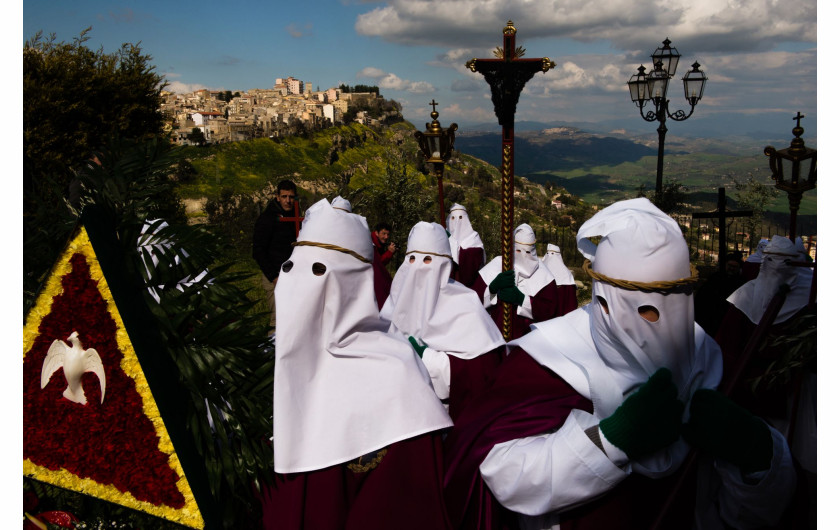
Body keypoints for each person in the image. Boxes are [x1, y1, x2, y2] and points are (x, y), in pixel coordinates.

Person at [443, 198, 795, 530]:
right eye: (636, 308)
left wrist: (757, 453)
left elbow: (748, 511)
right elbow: (504, 476)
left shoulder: (706, 358)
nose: (645, 329)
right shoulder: (550, 359)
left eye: (661, 309)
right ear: (604, 300)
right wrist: (611, 441)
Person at [259, 199, 454, 529]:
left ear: (352, 285)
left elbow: (404, 505)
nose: (298, 283)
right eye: (291, 267)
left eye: (319, 270)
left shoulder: (396, 378)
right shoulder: (264, 361)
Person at [381, 221, 506, 421]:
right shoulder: (394, 301)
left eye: (428, 260)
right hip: (401, 409)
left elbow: (483, 371)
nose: (418, 267)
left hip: (444, 416)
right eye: (412, 259)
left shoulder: (466, 304)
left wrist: (429, 360)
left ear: (445, 265)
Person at [471, 224, 558, 340]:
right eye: (517, 250)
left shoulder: (544, 276)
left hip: (526, 341)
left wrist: (522, 299)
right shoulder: (497, 265)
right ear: (511, 248)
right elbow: (472, 300)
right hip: (492, 336)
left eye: (528, 252)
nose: (523, 256)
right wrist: (491, 289)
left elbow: (549, 312)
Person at [252, 180, 298, 331]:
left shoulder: (296, 217)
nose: (288, 200)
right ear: (277, 197)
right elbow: (258, 250)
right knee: (278, 321)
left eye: (291, 197)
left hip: (294, 275)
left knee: (295, 319)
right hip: (275, 276)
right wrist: (273, 276)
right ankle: (272, 353)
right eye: (284, 196)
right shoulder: (267, 219)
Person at [693, 251, 746, 337]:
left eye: (734, 267)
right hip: (708, 319)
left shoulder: (741, 283)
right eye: (730, 266)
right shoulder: (715, 278)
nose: (731, 269)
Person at [447, 203, 486, 288]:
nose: (457, 222)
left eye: (460, 218)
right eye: (453, 218)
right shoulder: (444, 236)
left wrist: (452, 243)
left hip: (468, 287)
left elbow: (471, 264)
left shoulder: (473, 238)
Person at [540, 243, 578, 318]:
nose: (550, 256)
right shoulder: (567, 275)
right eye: (548, 254)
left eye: (552, 254)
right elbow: (572, 303)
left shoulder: (541, 271)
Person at [371, 221, 397, 309]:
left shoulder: (377, 244)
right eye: (383, 233)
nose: (386, 237)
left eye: (388, 234)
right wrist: (389, 252)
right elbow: (378, 264)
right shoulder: (371, 244)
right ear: (376, 233)